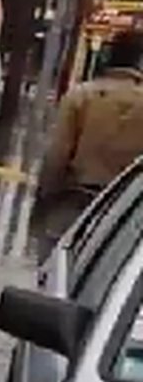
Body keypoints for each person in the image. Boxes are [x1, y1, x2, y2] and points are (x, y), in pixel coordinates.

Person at [36, 29, 143, 260]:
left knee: (55, 273)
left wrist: (44, 198)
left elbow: (57, 155)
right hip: (125, 216)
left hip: (74, 204)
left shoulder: (81, 96)